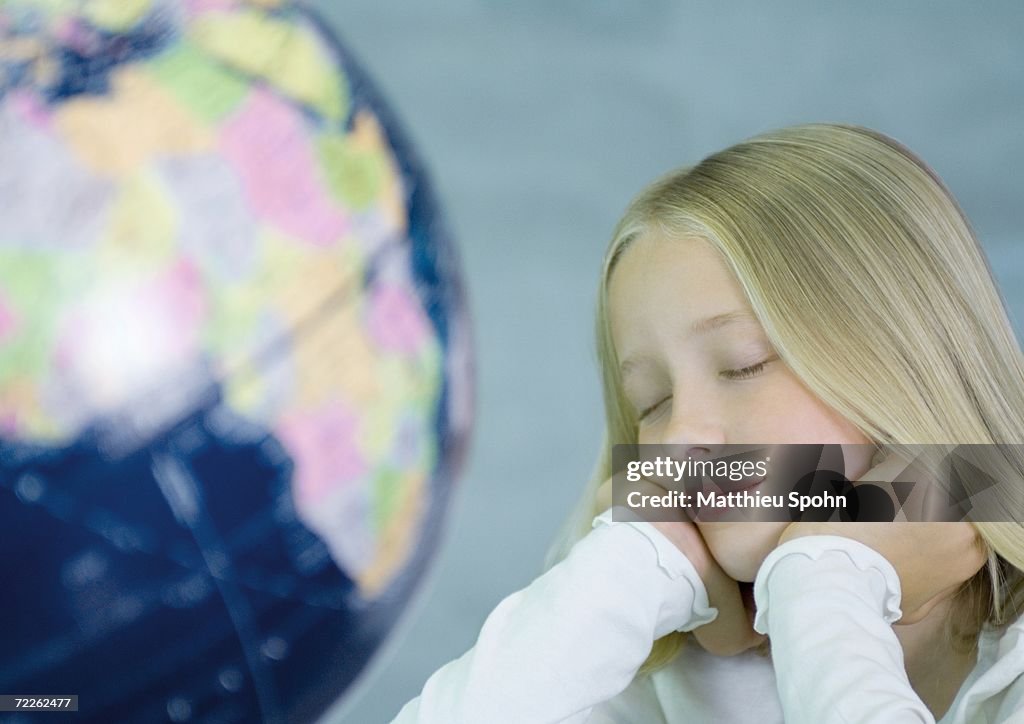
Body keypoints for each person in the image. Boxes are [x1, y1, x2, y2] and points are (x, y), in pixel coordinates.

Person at [391, 124, 1024, 723]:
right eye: (651, 401)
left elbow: (991, 471)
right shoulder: (641, 659)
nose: (682, 436)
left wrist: (825, 577)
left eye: (744, 365)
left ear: (908, 360)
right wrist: (634, 566)